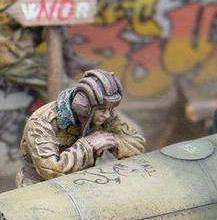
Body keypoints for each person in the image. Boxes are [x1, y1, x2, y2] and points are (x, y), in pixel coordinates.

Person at [17, 69, 146, 187]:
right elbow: (51, 169)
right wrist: (88, 145)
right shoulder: (41, 123)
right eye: (102, 110)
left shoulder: (103, 114)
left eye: (110, 109)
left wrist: (114, 141)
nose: (107, 115)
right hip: (38, 186)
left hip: (80, 182)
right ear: (83, 106)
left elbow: (137, 143)